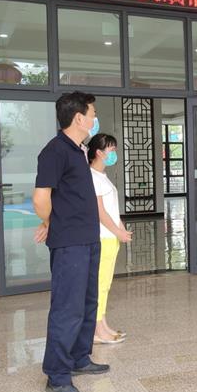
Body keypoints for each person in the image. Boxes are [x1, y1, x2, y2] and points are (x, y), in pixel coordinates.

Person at [33, 91, 109, 392]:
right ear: (79, 118)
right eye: (92, 114)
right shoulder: (54, 151)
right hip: (69, 243)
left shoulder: (78, 150)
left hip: (88, 238)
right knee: (67, 308)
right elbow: (41, 198)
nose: (94, 118)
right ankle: (57, 374)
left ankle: (79, 357)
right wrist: (50, 221)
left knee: (87, 302)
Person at [88, 133, 132, 345]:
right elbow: (99, 212)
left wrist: (121, 229)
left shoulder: (102, 175)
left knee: (105, 284)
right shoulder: (92, 176)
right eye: (111, 149)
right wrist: (117, 231)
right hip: (103, 237)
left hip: (110, 237)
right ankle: (97, 330)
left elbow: (112, 210)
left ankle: (103, 325)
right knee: (100, 284)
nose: (114, 153)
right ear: (99, 152)